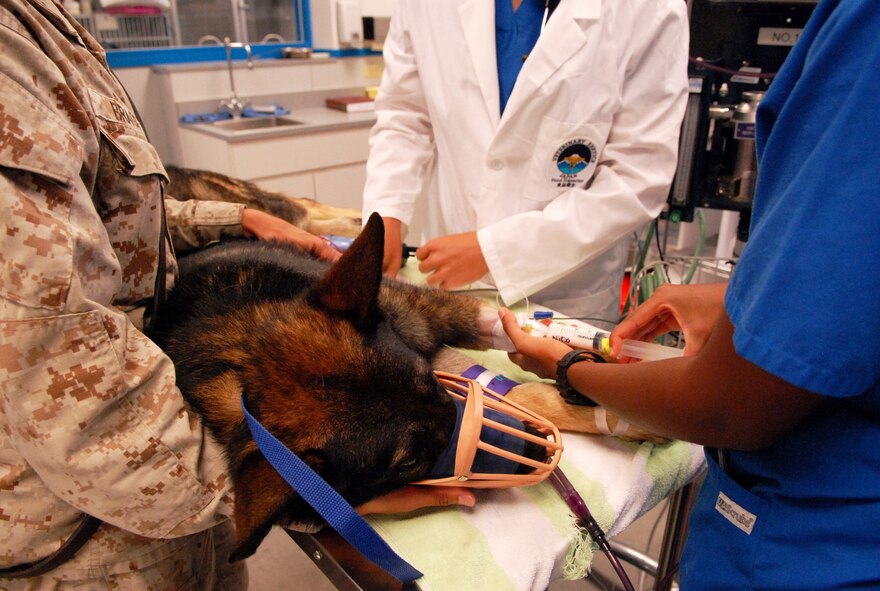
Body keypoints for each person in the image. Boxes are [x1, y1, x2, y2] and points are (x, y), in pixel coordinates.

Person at [0, 0, 472, 586]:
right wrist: (315, 498)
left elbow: (105, 218)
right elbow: (65, 396)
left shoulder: (38, 22)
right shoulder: (8, 64)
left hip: (163, 483)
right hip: (85, 537)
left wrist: (232, 218)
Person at [498, 0, 880, 587]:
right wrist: (745, 297)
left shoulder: (866, 39)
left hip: (821, 544)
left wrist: (572, 370)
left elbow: (731, 404)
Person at [362, 0, 689, 326]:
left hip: (563, 298)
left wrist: (495, 252)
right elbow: (404, 115)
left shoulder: (648, 8)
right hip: (445, 282)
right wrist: (386, 213)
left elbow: (636, 179)